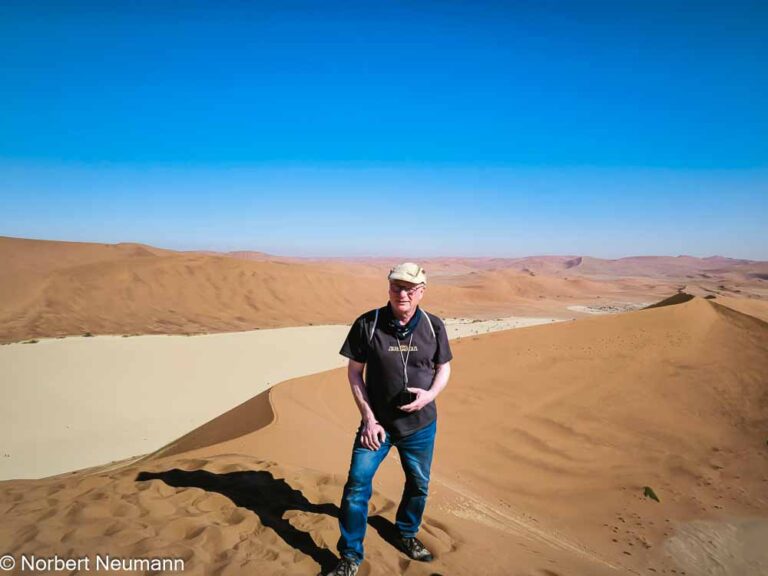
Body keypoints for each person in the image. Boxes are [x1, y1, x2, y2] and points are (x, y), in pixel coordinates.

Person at [322, 262, 453, 576]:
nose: (402, 293)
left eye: (410, 288)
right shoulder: (368, 323)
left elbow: (444, 368)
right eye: (396, 286)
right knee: (356, 486)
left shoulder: (434, 326)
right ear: (389, 288)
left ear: (421, 292)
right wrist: (368, 418)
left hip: (420, 427)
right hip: (377, 427)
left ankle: (406, 533)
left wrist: (429, 396)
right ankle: (351, 555)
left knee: (419, 485)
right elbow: (355, 372)